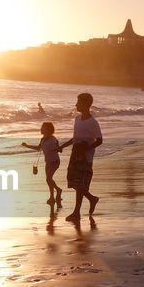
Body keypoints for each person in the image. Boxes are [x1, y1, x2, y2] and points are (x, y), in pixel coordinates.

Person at [59, 92, 102, 223]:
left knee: (80, 184)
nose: (76, 104)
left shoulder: (92, 122)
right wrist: (62, 146)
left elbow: (99, 140)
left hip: (85, 157)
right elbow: (75, 138)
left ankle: (76, 212)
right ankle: (92, 199)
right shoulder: (77, 119)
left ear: (86, 104)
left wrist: (86, 149)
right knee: (74, 182)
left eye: (78, 102)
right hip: (75, 155)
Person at [22, 121, 63, 206]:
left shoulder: (53, 139)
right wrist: (27, 145)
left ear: (48, 129)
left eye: (43, 127)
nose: (41, 129)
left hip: (55, 161)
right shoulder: (43, 139)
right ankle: (57, 191)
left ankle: (53, 196)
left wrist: (58, 149)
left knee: (48, 178)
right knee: (49, 179)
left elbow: (59, 149)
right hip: (48, 162)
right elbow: (38, 148)